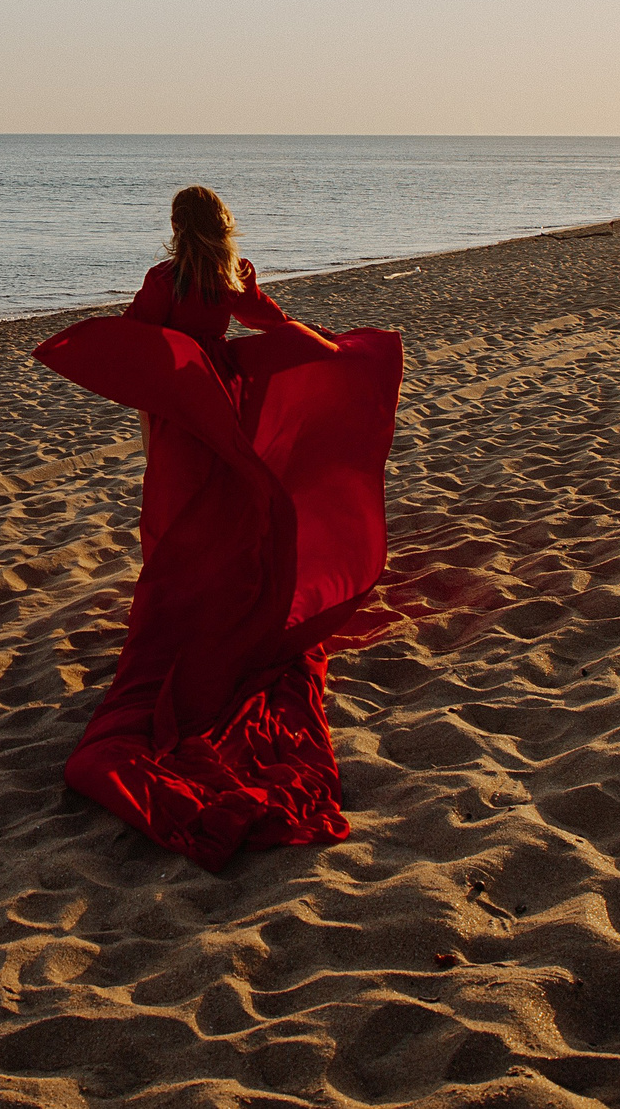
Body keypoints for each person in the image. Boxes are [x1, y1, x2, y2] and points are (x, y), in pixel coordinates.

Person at [32, 186, 403, 871]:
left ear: (177, 227)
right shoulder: (234, 277)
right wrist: (334, 351)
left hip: (184, 416)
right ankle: (218, 606)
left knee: (178, 524)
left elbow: (143, 345)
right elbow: (276, 326)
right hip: (223, 408)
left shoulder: (164, 279)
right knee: (221, 517)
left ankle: (184, 620)